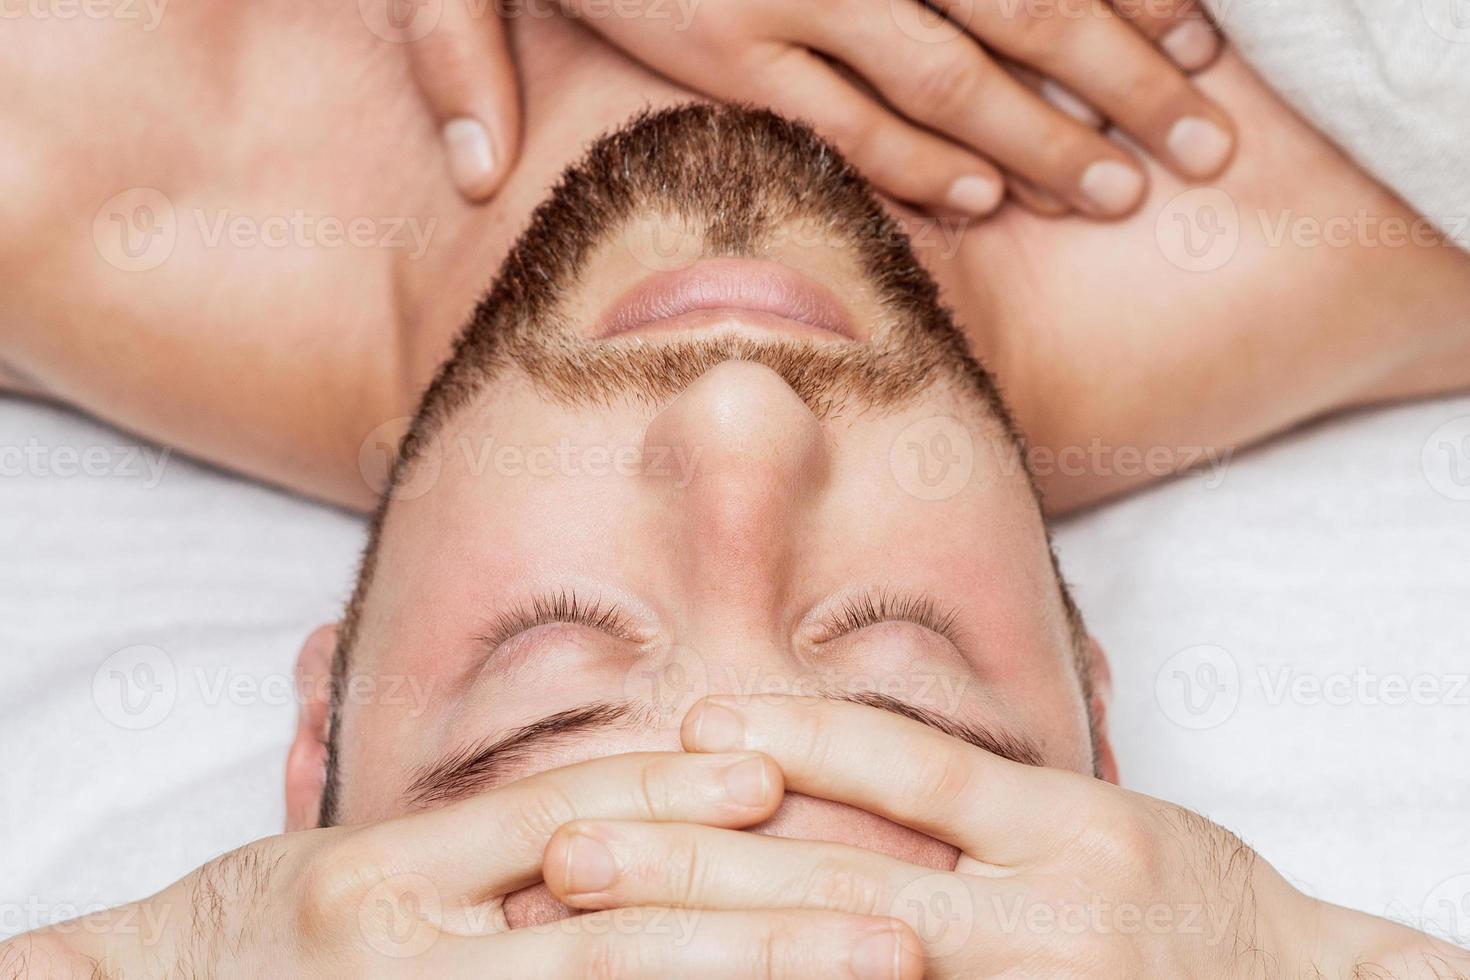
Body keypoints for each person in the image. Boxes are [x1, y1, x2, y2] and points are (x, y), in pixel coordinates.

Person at [2, 2, 1469, 977]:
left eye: (551, 673)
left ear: (328, 714)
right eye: (906, 675)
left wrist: (150, 955)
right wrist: (1311, 958)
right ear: (1094, 713)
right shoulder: (1373, 193)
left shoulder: (60, 155)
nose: (736, 418)